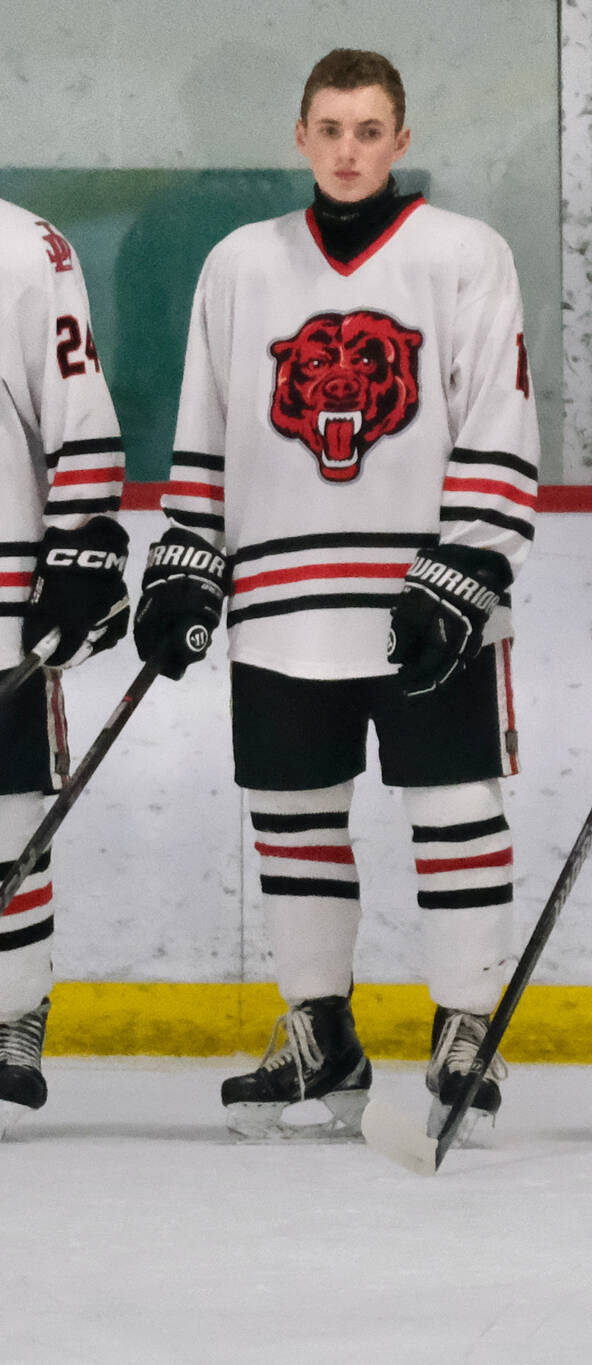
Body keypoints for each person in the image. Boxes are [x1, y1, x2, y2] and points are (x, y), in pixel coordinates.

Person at [138, 49, 540, 1141]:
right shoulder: (239, 263)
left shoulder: (464, 254)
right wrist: (186, 553)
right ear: (301, 138)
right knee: (294, 818)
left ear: (400, 141)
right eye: (331, 129)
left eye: (371, 130)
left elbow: (497, 419)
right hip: (280, 592)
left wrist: (468, 562)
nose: (350, 149)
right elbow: (208, 420)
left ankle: (466, 1026)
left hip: (429, 594)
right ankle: (322, 1033)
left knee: (455, 810)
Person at [0, 201, 129, 1135]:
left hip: (2, 582)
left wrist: (80, 545)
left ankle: (9, 1009)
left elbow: (77, 410)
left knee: (8, 812)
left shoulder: (26, 245)